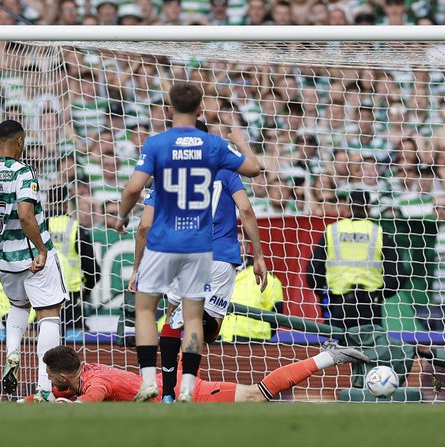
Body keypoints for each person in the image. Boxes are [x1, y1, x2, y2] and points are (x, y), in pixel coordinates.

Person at [114, 81, 261, 402]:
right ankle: (189, 387)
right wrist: (239, 139)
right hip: (200, 246)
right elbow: (254, 170)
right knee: (194, 317)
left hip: (164, 244)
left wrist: (122, 217)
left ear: (169, 108)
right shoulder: (213, 147)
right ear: (199, 109)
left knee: (146, 311)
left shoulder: (157, 144)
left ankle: (150, 381)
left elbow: (132, 191)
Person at [0, 120, 67, 402]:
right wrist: (41, 250)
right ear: (20, 142)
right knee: (49, 315)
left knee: (19, 306)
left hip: (5, 260)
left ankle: (13, 352)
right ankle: (44, 388)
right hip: (31, 258)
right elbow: (26, 215)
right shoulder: (22, 171)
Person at [43, 343, 369, 403]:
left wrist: (58, 405)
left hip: (190, 393)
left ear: (62, 374)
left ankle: (329, 357)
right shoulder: (86, 369)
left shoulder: (96, 383)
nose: (49, 379)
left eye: (49, 375)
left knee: (258, 395)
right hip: (167, 381)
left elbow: (87, 401)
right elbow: (68, 393)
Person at [306, 190, 403, 335]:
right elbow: (398, 275)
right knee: (371, 353)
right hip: (370, 306)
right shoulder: (379, 232)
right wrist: (380, 294)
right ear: (368, 208)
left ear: (348, 207)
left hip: (339, 305)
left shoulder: (332, 231)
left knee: (336, 354)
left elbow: (312, 272)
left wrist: (326, 295)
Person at [45, 184, 100, 333]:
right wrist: (85, 292)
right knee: (70, 345)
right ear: (66, 203)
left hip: (39, 294)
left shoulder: (36, 226)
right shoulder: (75, 227)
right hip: (69, 297)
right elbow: (93, 271)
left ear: (47, 201)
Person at [218, 234, 284, 342]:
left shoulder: (267, 278)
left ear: (248, 247)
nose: (235, 248)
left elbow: (276, 316)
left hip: (254, 343)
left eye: (239, 244)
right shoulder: (213, 275)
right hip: (217, 342)